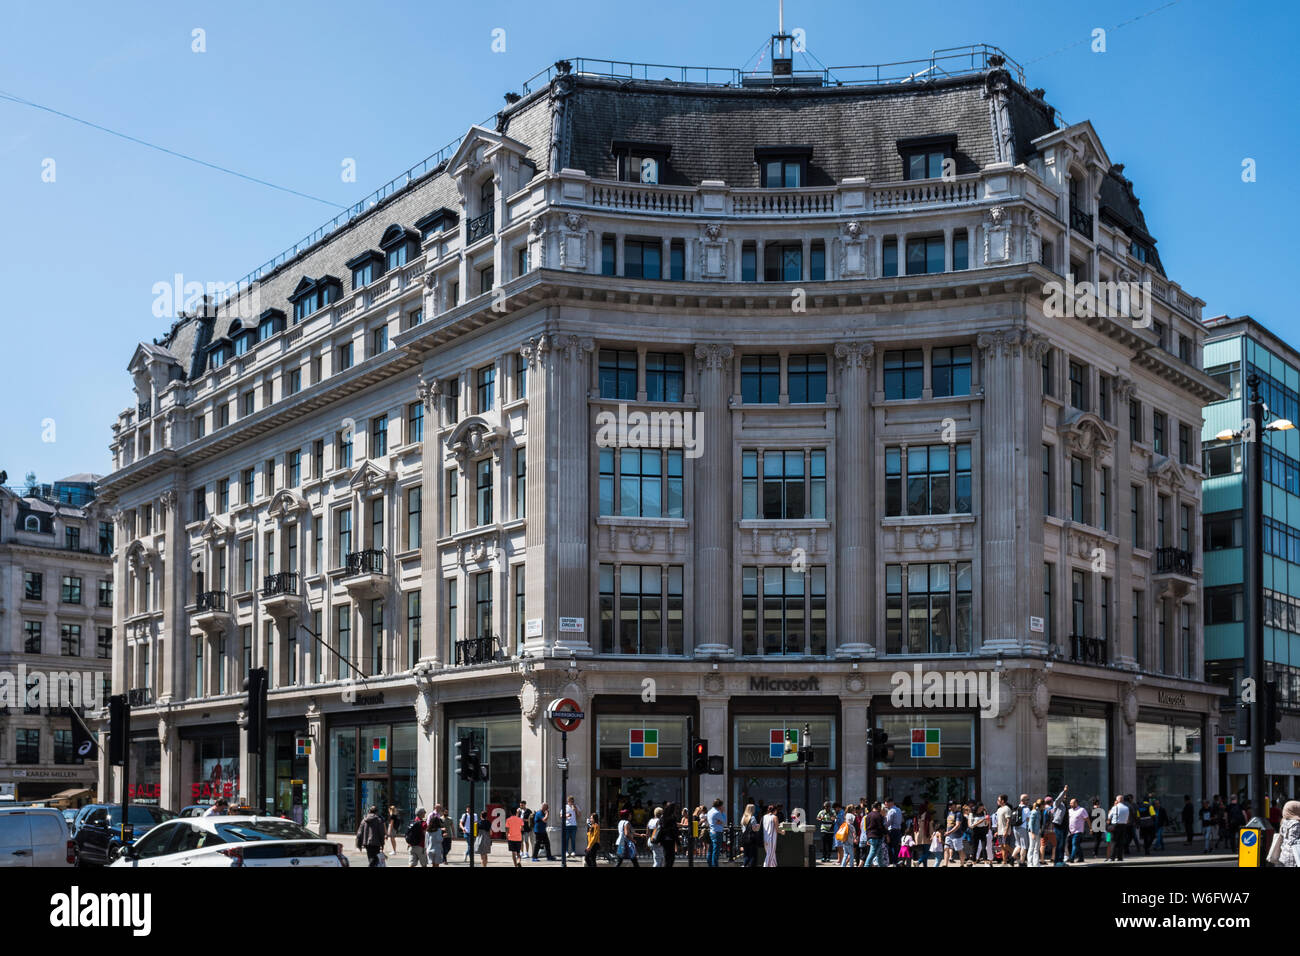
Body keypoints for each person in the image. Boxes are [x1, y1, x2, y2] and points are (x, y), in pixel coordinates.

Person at [1275, 800, 1300, 867]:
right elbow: (1294, 841)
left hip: (1284, 853)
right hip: (1293, 857)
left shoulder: (1284, 821)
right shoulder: (1295, 824)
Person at [862, 801, 887, 867]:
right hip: (877, 837)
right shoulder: (878, 815)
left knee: (879, 854)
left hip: (871, 836)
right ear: (878, 807)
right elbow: (881, 827)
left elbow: (866, 828)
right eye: (880, 807)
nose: (881, 808)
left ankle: (881, 865)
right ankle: (866, 865)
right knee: (872, 854)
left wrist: (868, 838)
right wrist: (886, 833)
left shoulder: (868, 815)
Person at [944, 802, 968, 867]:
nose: (949, 806)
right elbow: (948, 824)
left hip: (956, 836)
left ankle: (962, 864)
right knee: (946, 848)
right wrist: (947, 832)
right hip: (948, 835)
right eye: (948, 805)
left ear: (954, 805)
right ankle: (945, 864)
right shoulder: (949, 813)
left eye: (951, 805)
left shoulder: (958, 814)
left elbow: (957, 825)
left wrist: (949, 832)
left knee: (959, 850)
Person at [1107, 794, 1130, 862]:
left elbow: (1109, 816)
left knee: (1113, 842)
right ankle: (1120, 857)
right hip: (1123, 826)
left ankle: (1112, 857)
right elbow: (1127, 818)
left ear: (1117, 800)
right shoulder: (1126, 808)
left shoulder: (1115, 807)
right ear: (1122, 800)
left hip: (1115, 825)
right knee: (1121, 842)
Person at [1050, 785, 1069, 863]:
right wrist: (1064, 791)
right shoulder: (1057, 803)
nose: (1065, 799)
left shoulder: (1065, 806)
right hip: (1059, 825)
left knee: (1063, 843)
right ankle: (1058, 860)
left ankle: (1060, 859)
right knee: (1059, 842)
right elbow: (1059, 798)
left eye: (1066, 798)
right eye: (1064, 798)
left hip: (1065, 825)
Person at [1067, 798, 1089, 863]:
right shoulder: (1069, 810)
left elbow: (1087, 819)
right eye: (1070, 803)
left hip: (1078, 831)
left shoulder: (1082, 810)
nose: (1070, 804)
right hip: (1070, 831)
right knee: (1076, 845)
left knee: (1074, 844)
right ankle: (1081, 858)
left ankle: (1072, 858)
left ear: (1076, 803)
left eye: (1072, 803)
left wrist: (1090, 828)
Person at [706, 798, 727, 867]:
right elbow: (724, 820)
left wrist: (719, 822)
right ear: (719, 806)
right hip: (717, 832)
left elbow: (720, 822)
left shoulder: (709, 811)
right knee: (716, 850)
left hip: (712, 831)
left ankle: (710, 863)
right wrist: (723, 812)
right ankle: (714, 864)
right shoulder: (717, 812)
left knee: (711, 849)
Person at [739, 803, 761, 868]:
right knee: (753, 856)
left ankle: (744, 865)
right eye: (754, 808)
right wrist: (758, 826)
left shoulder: (743, 817)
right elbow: (754, 829)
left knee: (746, 856)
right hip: (751, 839)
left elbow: (743, 829)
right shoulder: (752, 818)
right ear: (752, 809)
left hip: (744, 839)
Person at [1011, 794, 1030, 866]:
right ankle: (1022, 862)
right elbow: (1028, 819)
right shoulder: (1026, 809)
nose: (1028, 801)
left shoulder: (1016, 808)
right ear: (1023, 800)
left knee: (1018, 845)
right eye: (1027, 799)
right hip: (1023, 828)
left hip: (1015, 828)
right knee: (1024, 846)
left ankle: (1012, 858)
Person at [993, 795, 1012, 866]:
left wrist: (1006, 831)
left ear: (1003, 801)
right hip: (1000, 831)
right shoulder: (999, 809)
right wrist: (997, 831)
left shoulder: (1007, 809)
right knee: (1002, 847)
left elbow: (1008, 820)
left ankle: (1016, 856)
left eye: (998, 800)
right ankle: (1004, 862)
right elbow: (998, 821)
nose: (997, 801)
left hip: (1005, 831)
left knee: (1005, 845)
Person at [659, 802, 680, 867]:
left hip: (664, 840)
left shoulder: (663, 817)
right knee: (671, 858)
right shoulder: (672, 818)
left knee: (667, 858)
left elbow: (661, 828)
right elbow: (675, 831)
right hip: (670, 839)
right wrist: (678, 842)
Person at [1026, 799, 1043, 867]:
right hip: (1033, 832)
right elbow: (1030, 823)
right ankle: (1030, 863)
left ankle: (1036, 863)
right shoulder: (1034, 812)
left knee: (1036, 847)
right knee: (1032, 847)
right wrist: (1032, 833)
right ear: (1041, 805)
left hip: (1037, 831)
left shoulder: (1038, 811)